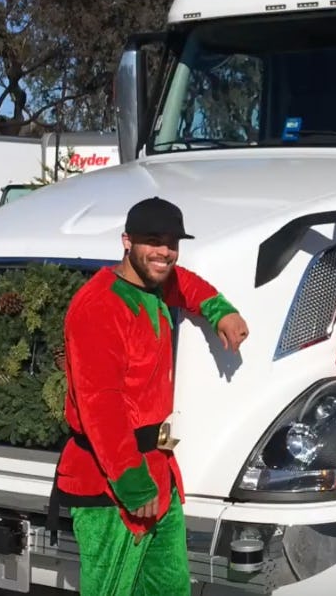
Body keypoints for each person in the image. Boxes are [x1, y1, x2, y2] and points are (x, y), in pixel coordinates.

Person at [49, 196, 250, 596]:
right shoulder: (100, 305)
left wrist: (220, 310)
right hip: (113, 488)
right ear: (127, 241)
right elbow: (100, 405)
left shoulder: (154, 283)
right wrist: (134, 484)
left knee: (170, 588)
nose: (164, 252)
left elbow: (185, 283)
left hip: (159, 474)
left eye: (172, 243)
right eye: (153, 241)